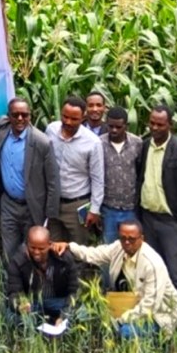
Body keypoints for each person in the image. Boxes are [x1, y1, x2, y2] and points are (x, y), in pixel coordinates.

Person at [0, 98, 60, 263]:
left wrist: (49, 216)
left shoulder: (41, 142)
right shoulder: (0, 128)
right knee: (9, 252)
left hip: (32, 207)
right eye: (16, 115)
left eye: (25, 115)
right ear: (8, 116)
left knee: (31, 253)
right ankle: (11, 286)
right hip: (8, 204)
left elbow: (53, 181)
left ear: (30, 115)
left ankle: (31, 287)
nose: (20, 119)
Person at [136, 104, 177, 344]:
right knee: (152, 271)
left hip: (171, 222)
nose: (154, 127)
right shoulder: (144, 146)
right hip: (149, 220)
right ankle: (161, 319)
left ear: (170, 125)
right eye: (152, 123)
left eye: (160, 124)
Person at [54, 220, 177, 339]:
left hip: (157, 315)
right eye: (123, 238)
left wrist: (119, 320)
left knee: (125, 331)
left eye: (131, 239)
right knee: (84, 314)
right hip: (126, 305)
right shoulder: (118, 248)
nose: (126, 242)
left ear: (141, 239)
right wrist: (69, 246)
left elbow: (150, 306)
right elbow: (93, 254)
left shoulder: (152, 264)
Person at [45, 96, 104, 245]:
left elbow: (98, 178)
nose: (68, 122)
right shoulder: (51, 130)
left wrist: (94, 210)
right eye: (65, 117)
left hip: (78, 205)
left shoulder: (93, 142)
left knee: (78, 250)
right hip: (53, 202)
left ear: (83, 117)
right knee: (52, 247)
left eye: (74, 119)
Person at [5, 226, 78, 328]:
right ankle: (39, 327)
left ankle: (54, 323)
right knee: (10, 316)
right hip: (32, 303)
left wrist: (64, 315)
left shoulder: (64, 258)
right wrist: (19, 304)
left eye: (41, 248)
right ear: (27, 244)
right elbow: (13, 291)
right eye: (32, 247)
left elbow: (74, 291)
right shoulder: (18, 261)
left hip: (58, 302)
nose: (36, 252)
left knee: (82, 313)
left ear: (49, 245)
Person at [99, 107, 142, 243]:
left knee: (131, 246)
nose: (114, 130)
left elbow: (140, 171)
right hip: (108, 208)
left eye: (118, 127)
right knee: (109, 249)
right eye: (110, 126)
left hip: (130, 208)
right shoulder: (98, 143)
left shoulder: (137, 144)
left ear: (126, 126)